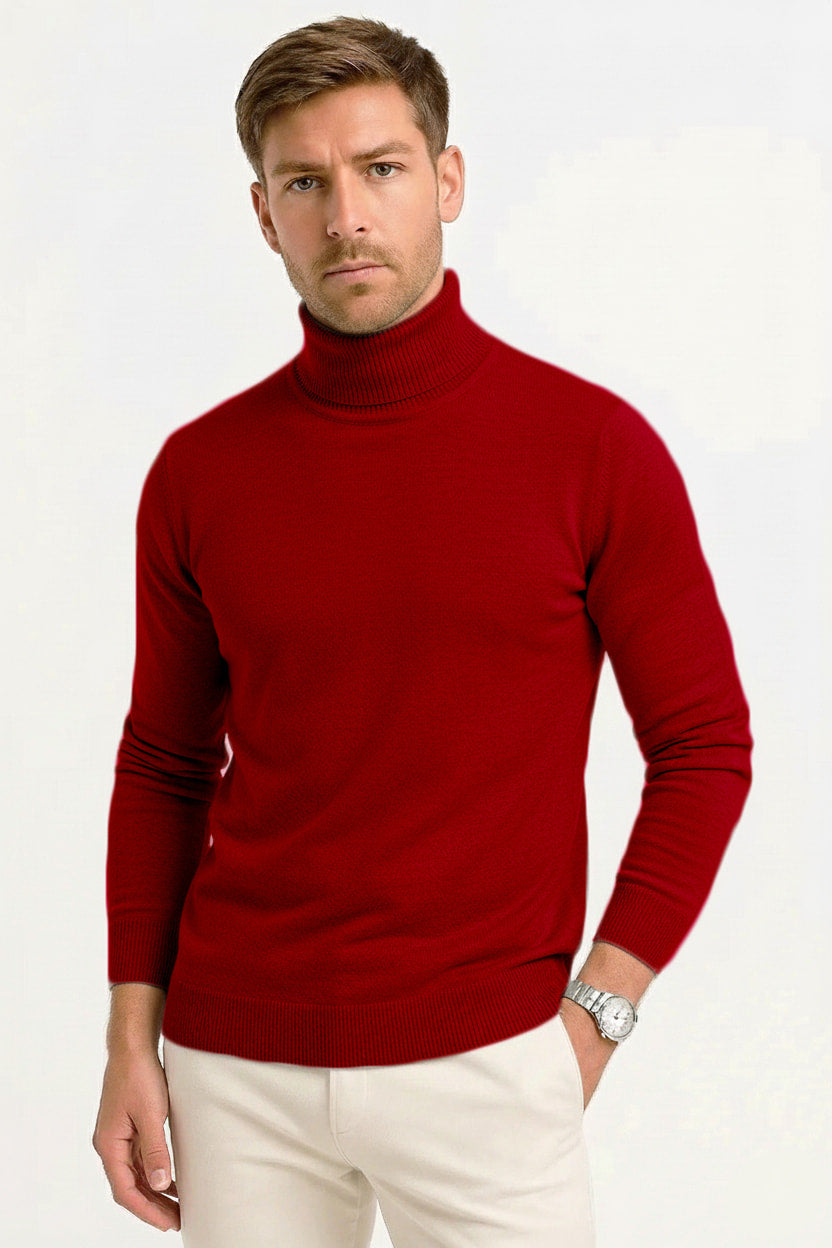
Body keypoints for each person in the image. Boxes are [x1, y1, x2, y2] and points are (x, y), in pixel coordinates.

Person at [92, 15, 753, 1247]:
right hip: (237, 1067)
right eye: (305, 182)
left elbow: (704, 744)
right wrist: (132, 1038)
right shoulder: (200, 473)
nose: (346, 216)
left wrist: (598, 1014)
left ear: (447, 180)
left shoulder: (589, 450)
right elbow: (164, 763)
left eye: (381, 168)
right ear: (263, 214)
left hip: (489, 1066)